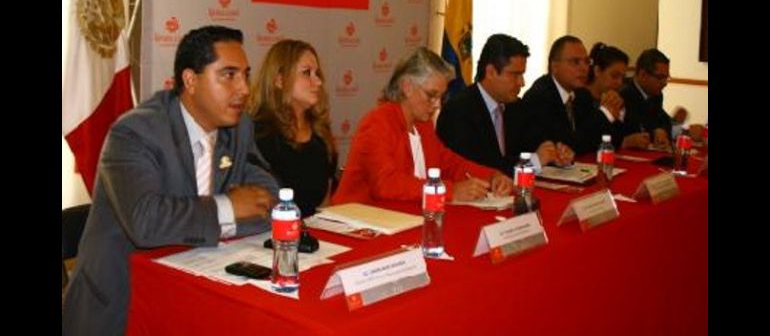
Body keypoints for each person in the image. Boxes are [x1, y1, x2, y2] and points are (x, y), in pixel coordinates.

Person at [62, 26, 280, 336]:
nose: (244, 89)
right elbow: (146, 223)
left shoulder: (239, 126)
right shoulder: (134, 132)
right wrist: (228, 209)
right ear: (190, 80)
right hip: (119, 302)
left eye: (245, 75)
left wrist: (220, 217)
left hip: (191, 291)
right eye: (228, 75)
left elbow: (270, 199)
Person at [332, 47, 513, 205]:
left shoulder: (423, 125)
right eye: (431, 95)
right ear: (407, 86)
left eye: (441, 97)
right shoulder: (377, 122)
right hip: (358, 223)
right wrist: (450, 191)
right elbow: (386, 185)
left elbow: (450, 163)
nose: (436, 105)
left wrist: (491, 176)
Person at [436, 34, 574, 174]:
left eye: (522, 75)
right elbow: (477, 168)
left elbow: (535, 144)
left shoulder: (516, 107)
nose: (522, 83)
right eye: (515, 74)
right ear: (490, 72)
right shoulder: (458, 110)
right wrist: (534, 161)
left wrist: (555, 153)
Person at [248, 39, 337, 217]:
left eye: (317, 73)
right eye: (307, 73)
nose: (318, 81)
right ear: (279, 80)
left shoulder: (320, 132)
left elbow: (325, 202)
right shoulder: (257, 134)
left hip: (314, 235)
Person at [519, 35, 611, 155]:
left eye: (587, 61)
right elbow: (568, 145)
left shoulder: (582, 95)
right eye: (575, 62)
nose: (584, 68)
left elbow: (598, 141)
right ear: (554, 67)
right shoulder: (539, 97)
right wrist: (605, 114)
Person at [582, 42, 651, 149]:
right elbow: (588, 140)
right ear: (597, 71)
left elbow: (620, 133)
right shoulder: (580, 98)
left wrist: (620, 114)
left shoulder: (615, 98)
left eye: (622, 77)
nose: (619, 82)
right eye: (614, 76)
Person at [619, 48, 675, 150]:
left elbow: (664, 121)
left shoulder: (656, 95)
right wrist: (655, 131)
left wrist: (673, 126)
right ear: (643, 74)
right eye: (660, 77)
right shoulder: (625, 94)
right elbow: (637, 127)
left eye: (666, 78)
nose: (665, 83)